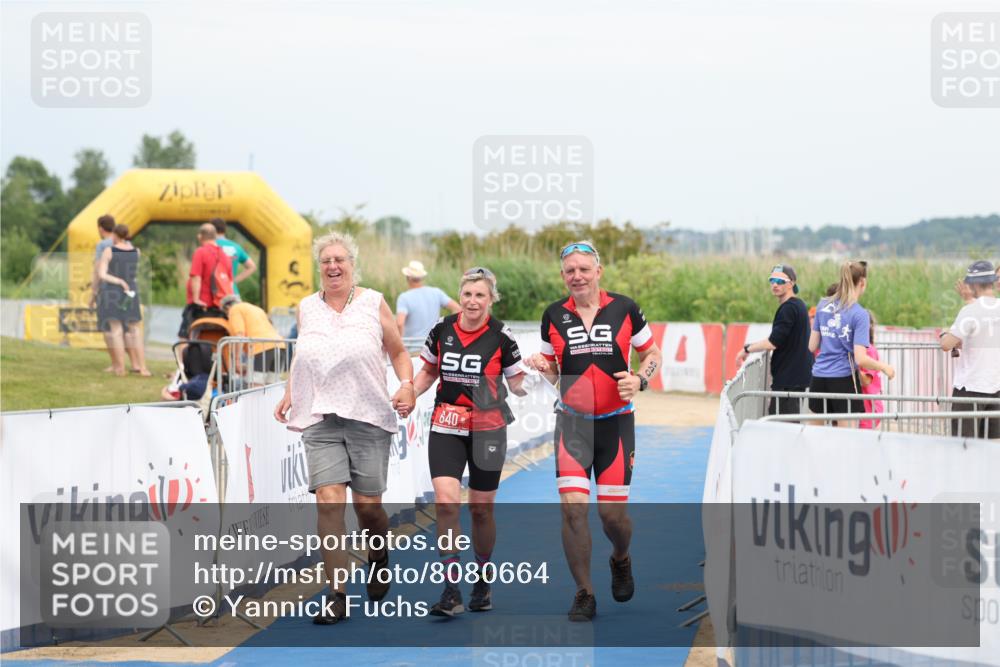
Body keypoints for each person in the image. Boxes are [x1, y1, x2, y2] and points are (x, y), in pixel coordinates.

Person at [273, 232, 416, 625]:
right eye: (326, 261)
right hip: (320, 417)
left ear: (353, 265)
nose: (333, 267)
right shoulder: (306, 307)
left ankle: (378, 551)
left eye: (340, 260)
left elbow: (399, 351)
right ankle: (337, 594)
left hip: (368, 415)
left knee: (368, 507)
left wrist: (406, 385)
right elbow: (306, 358)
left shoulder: (373, 303)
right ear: (319, 267)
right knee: (329, 501)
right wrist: (289, 393)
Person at [524, 240, 662, 622]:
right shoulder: (553, 315)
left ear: (598, 272)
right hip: (571, 423)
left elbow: (652, 354)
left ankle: (620, 558)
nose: (577, 276)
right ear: (563, 276)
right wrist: (543, 366)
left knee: (612, 518)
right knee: (573, 510)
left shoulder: (625, 308)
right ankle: (584, 592)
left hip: (616, 423)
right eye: (570, 270)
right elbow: (554, 373)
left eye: (584, 269)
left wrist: (640, 380)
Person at [406, 267, 527, 617]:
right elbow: (428, 371)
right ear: (459, 296)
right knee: (445, 503)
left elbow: (517, 382)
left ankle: (483, 579)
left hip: (488, 429)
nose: (473, 301)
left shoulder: (502, 336)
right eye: (468, 294)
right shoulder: (442, 330)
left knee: (480, 508)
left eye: (481, 295)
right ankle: (451, 588)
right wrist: (410, 393)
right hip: (446, 423)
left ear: (491, 299)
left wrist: (532, 379)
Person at [808, 261, 895, 426]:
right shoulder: (859, 314)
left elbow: (812, 346)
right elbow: (861, 359)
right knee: (847, 440)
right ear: (862, 282)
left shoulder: (822, 304)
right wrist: (884, 367)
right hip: (843, 378)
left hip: (819, 377)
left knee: (815, 437)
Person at [736, 264, 813, 417]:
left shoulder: (789, 308)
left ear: (791, 284)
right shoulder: (798, 305)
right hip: (794, 378)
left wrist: (746, 350)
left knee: (783, 426)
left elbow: (773, 342)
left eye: (780, 281)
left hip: (789, 381)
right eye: (772, 280)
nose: (775, 284)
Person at [939, 260, 1000, 439]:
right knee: (994, 448)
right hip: (996, 387)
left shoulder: (970, 311)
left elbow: (947, 344)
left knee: (964, 448)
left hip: (970, 388)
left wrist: (944, 334)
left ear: (973, 284)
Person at [95, 224, 150, 377]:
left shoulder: (109, 250)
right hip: (132, 291)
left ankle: (120, 368)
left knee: (116, 330)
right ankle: (143, 368)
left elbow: (102, 274)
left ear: (114, 235)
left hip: (112, 291)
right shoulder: (136, 252)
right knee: (135, 330)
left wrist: (118, 281)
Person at [178, 224, 230, 338]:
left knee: (185, 336)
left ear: (200, 236)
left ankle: (187, 356)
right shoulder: (225, 255)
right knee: (212, 337)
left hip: (200, 305)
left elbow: (196, 277)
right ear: (215, 236)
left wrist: (196, 299)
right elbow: (229, 281)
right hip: (218, 306)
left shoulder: (200, 252)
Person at [219, 294, 285, 374]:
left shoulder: (234, 309)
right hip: (280, 345)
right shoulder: (256, 309)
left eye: (226, 313)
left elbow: (240, 335)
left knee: (256, 384)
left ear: (227, 307)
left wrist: (237, 360)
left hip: (260, 347)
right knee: (272, 384)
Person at [395, 260, 460, 341]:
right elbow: (457, 309)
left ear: (408, 277)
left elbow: (400, 323)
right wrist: (447, 329)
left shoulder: (404, 298)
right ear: (422, 277)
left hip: (412, 348)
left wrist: (399, 344)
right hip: (432, 345)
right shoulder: (436, 292)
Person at [90, 214, 122, 372]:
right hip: (123, 289)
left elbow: (98, 269)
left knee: (108, 328)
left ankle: (116, 364)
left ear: (100, 228)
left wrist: (93, 292)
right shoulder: (125, 243)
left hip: (106, 289)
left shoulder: (102, 245)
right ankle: (131, 364)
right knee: (124, 328)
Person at [210, 218, 257, 297]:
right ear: (225, 230)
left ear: (211, 230)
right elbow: (252, 267)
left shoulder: (210, 246)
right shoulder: (236, 247)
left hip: (215, 294)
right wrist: (234, 281)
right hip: (233, 292)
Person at [858, 312, 885, 430]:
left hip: (868, 409)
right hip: (863, 408)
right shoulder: (860, 349)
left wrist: (848, 367)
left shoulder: (868, 350)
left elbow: (866, 380)